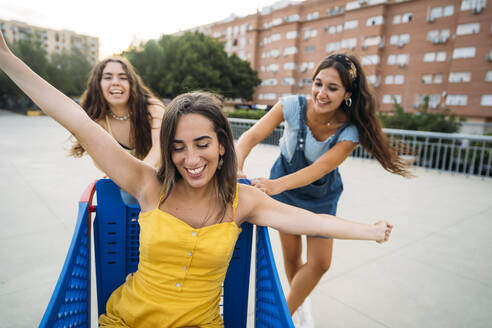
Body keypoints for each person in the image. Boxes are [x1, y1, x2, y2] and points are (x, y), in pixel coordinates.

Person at [0, 34, 392, 328]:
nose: (190, 159)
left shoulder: (243, 201)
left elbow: (314, 221)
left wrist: (370, 231)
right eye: (178, 147)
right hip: (128, 321)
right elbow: (78, 121)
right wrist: (7, 59)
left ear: (223, 145)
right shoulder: (148, 184)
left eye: (202, 144)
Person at [236, 53, 410, 325]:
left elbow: (320, 168)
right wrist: (236, 168)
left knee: (320, 263)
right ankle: (299, 304)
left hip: (319, 194)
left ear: (347, 93)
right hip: (284, 187)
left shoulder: (349, 131)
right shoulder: (291, 106)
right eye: (318, 83)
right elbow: (250, 136)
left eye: (332, 88)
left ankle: (284, 316)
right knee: (292, 259)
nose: (321, 93)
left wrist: (273, 186)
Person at [71, 57, 165, 204]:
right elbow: (107, 165)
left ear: (131, 84)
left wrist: (141, 177)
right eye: (108, 77)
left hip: (164, 181)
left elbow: (160, 148)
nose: (115, 82)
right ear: (98, 85)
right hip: (129, 186)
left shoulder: (152, 108)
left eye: (123, 77)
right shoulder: (98, 121)